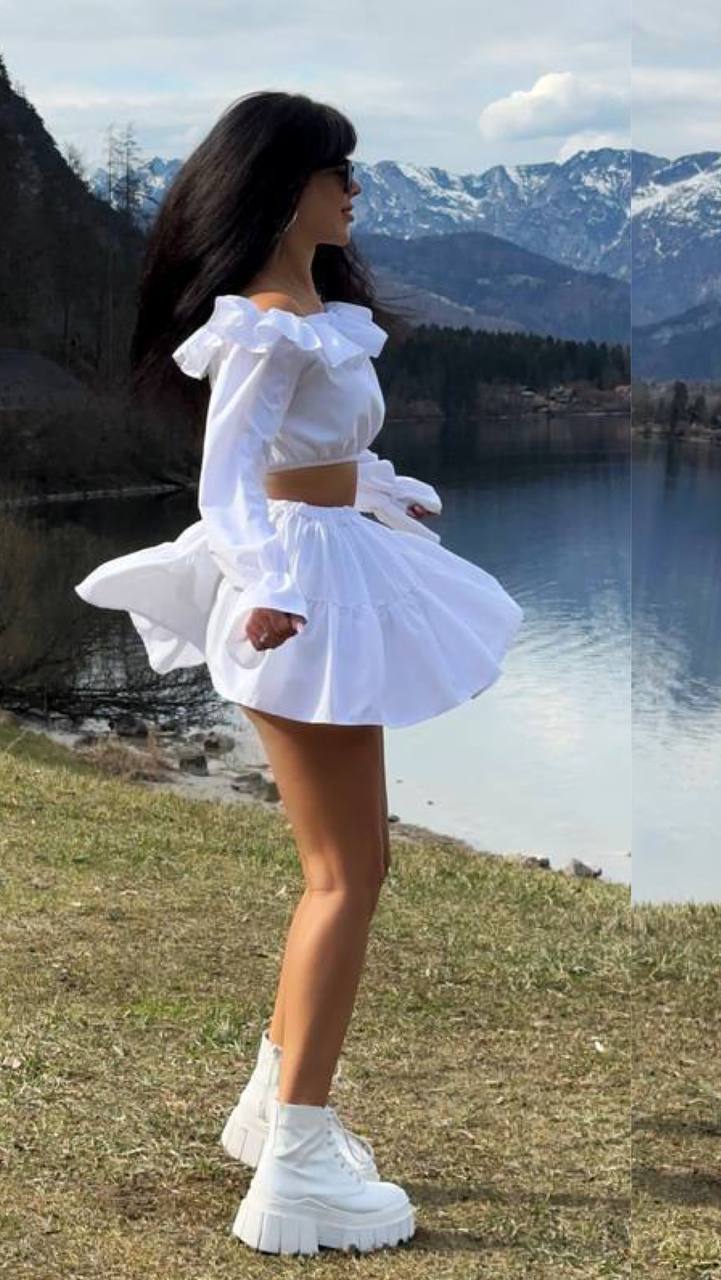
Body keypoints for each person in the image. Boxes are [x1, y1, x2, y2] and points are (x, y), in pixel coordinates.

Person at [73, 91, 524, 1252]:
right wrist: (270, 582)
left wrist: (380, 489)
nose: (352, 186)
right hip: (300, 597)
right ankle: (298, 1160)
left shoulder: (316, 311)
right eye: (335, 169)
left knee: (355, 861)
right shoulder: (267, 322)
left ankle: (274, 1106)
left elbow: (319, 455)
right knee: (345, 873)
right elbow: (231, 480)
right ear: (281, 188)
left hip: (330, 569)